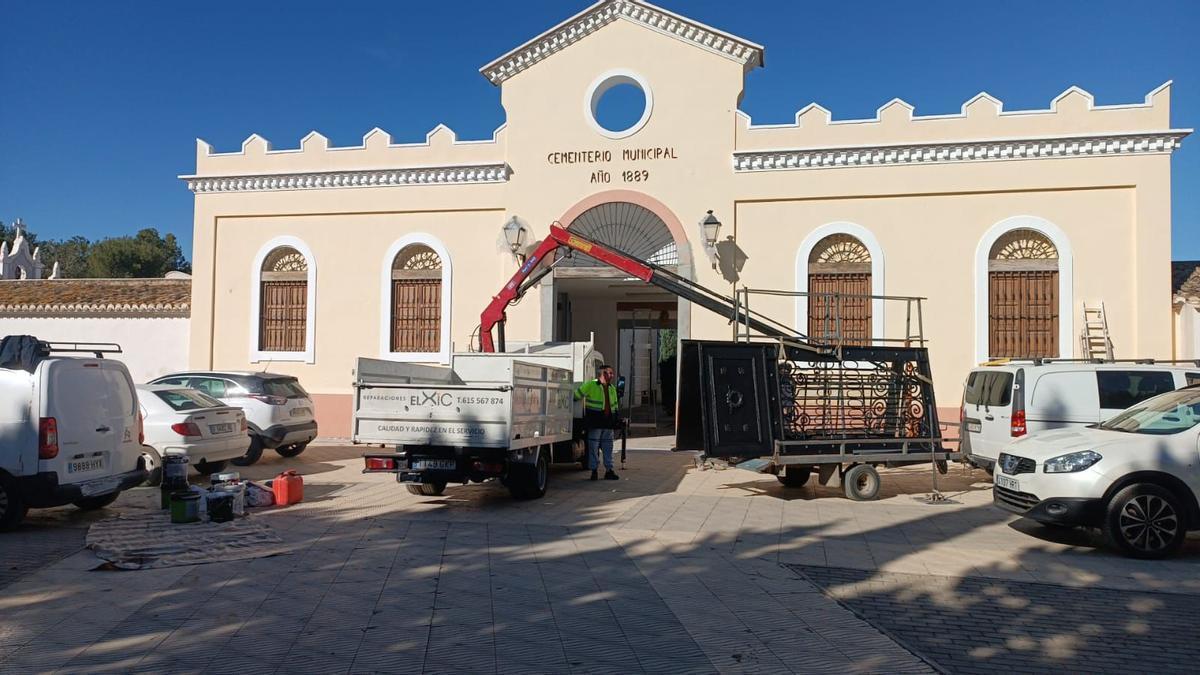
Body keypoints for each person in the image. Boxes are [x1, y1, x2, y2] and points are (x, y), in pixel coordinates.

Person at [575, 364, 621, 481]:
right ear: (603, 373)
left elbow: (615, 407)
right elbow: (576, 395)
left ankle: (609, 470)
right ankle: (594, 471)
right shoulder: (591, 385)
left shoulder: (612, 388)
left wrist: (616, 420)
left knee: (608, 448)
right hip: (595, 423)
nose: (612, 375)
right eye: (610, 373)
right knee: (593, 448)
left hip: (607, 423)